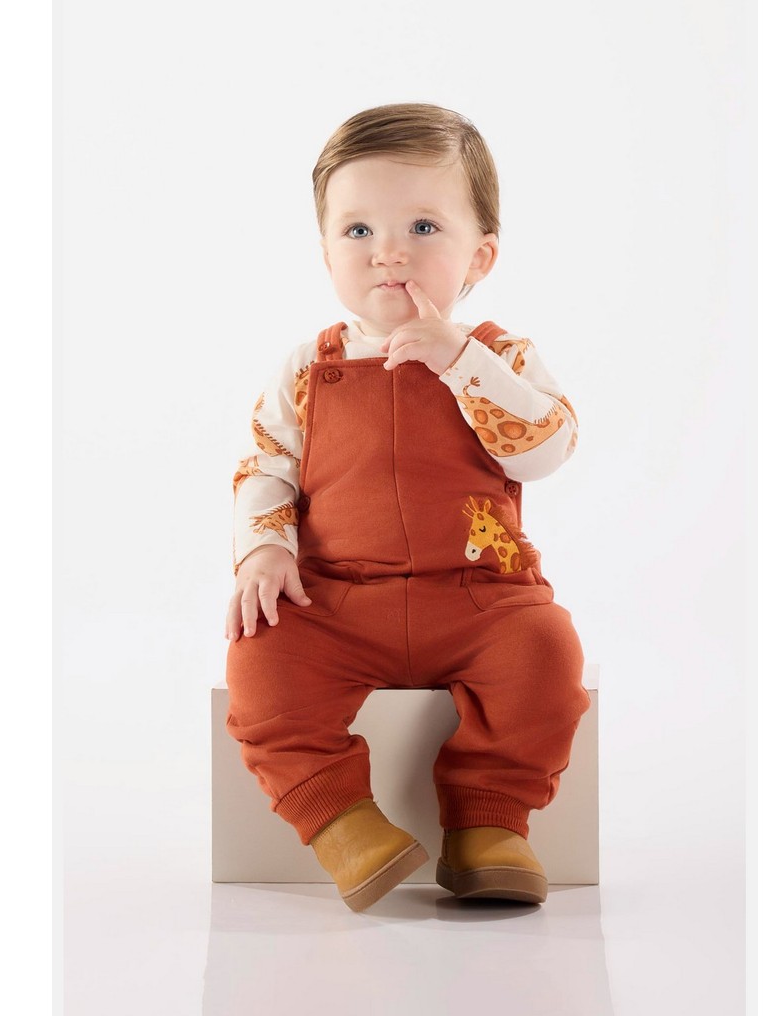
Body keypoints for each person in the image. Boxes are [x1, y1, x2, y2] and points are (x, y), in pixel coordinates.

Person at [224, 103, 591, 912]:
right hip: (338, 601)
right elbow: (267, 464)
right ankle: (344, 824)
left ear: (479, 255)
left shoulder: (499, 356)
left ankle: (488, 822)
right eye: (358, 230)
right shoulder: (306, 368)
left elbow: (545, 447)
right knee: (260, 658)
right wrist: (266, 549)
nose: (387, 251)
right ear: (326, 252)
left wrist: (461, 362)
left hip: (481, 599)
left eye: (422, 227)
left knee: (545, 654)